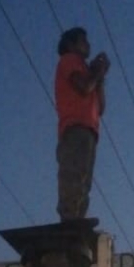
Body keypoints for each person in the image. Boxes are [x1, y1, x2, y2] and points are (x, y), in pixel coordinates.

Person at [54, 27, 110, 222]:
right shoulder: (69, 60)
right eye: (83, 41)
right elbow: (84, 87)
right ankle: (69, 220)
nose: (88, 46)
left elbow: (101, 107)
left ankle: (76, 220)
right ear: (71, 45)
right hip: (75, 127)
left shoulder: (86, 70)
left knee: (84, 181)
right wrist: (96, 72)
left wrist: (99, 76)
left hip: (89, 130)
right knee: (74, 177)